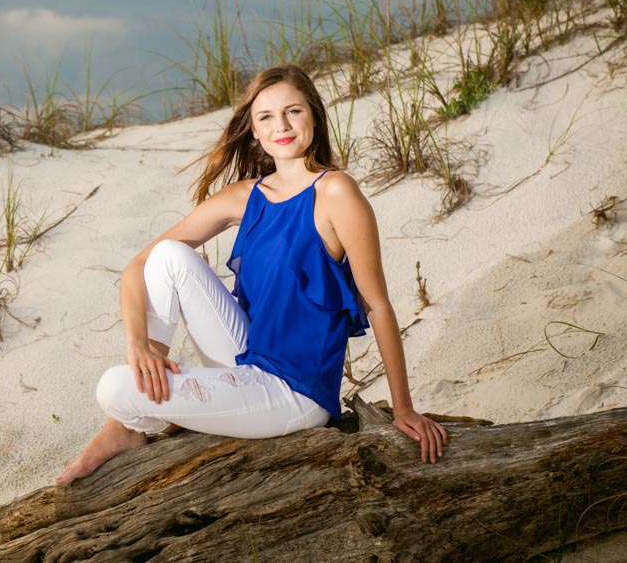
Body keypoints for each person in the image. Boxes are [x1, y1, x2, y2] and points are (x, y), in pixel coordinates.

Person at [56, 64, 447, 486]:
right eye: (266, 117)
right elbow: (139, 266)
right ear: (254, 131)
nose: (281, 125)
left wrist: (403, 407)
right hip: (247, 358)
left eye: (293, 111)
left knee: (113, 388)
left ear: (314, 115)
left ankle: (135, 418)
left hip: (295, 393)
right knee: (169, 254)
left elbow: (378, 305)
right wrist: (138, 346)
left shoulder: (337, 193)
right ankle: (132, 421)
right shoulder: (245, 196)